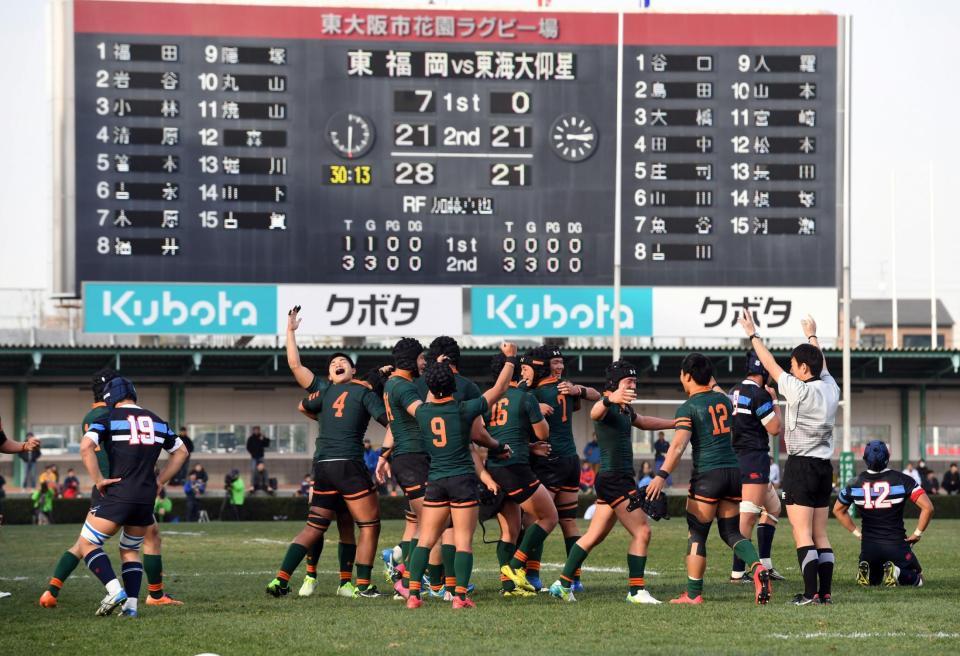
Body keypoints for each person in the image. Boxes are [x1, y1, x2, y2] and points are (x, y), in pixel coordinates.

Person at [40, 369, 183, 610]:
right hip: (145, 496)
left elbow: (86, 447)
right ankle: (132, 607)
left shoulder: (107, 417)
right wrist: (161, 482)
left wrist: (97, 479)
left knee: (86, 543)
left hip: (115, 491)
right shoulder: (157, 420)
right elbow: (181, 452)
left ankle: (114, 591)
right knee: (130, 549)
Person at [266, 305, 379, 599]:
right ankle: (358, 584)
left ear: (353, 370)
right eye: (334, 363)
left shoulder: (333, 391)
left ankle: (286, 579)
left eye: (343, 360)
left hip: (324, 467)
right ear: (330, 374)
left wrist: (289, 331)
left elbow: (296, 376)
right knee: (367, 524)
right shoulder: (343, 391)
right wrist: (290, 330)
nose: (338, 363)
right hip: (347, 465)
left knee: (328, 524)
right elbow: (295, 366)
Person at [644, 353, 771, 605]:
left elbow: (678, 446)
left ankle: (693, 594)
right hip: (734, 473)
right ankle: (757, 567)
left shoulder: (688, 407)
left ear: (687, 376)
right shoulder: (724, 401)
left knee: (697, 535)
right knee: (731, 532)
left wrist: (661, 476)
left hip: (707, 476)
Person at [549, 360, 676, 605]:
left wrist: (675, 423)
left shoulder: (625, 409)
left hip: (614, 479)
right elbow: (595, 411)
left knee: (593, 536)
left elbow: (643, 421)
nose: (633, 386)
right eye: (629, 382)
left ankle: (563, 584)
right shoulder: (608, 405)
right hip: (616, 479)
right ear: (614, 385)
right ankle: (636, 591)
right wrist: (610, 399)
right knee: (642, 531)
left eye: (635, 382)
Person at [739, 310, 840, 605]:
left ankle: (809, 594)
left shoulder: (798, 389)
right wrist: (812, 334)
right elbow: (823, 365)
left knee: (802, 533)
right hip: (823, 467)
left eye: (795, 365)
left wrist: (752, 334)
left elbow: (769, 363)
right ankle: (825, 594)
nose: (790, 369)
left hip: (800, 467)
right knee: (821, 534)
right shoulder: (831, 388)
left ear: (805, 369)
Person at [403, 346, 515, 610]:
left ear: (430, 386)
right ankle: (460, 597)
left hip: (436, 480)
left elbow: (425, 393)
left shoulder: (422, 411)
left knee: (426, 539)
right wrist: (510, 359)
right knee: (463, 540)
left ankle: (413, 595)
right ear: (453, 384)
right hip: (463, 480)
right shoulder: (464, 409)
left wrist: (434, 370)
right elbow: (499, 389)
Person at [524, 344, 601, 593]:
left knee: (537, 519)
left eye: (561, 363)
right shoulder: (564, 388)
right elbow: (593, 397)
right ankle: (574, 579)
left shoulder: (533, 393)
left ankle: (532, 575)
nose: (560, 367)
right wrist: (577, 390)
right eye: (555, 363)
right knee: (568, 520)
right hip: (571, 460)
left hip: (550, 459)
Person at [482, 352, 556, 598]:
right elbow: (543, 433)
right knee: (548, 517)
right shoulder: (524, 397)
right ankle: (515, 567)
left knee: (510, 531)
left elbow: (482, 434)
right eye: (521, 369)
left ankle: (508, 587)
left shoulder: (486, 400)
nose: (525, 372)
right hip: (515, 468)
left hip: (493, 468)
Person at [833, 440, 934, 587]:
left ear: (865, 459)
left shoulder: (854, 483)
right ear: (888, 457)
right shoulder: (903, 480)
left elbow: (838, 510)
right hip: (896, 546)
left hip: (868, 548)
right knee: (919, 578)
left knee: (875, 580)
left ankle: (867, 570)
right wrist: (917, 534)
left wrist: (856, 533)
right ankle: (897, 572)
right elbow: (928, 507)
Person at [729, 350, 785, 584]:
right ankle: (738, 573)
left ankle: (765, 564)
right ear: (762, 370)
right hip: (753, 459)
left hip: (738, 456)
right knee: (747, 519)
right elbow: (774, 428)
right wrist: (774, 400)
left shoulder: (733, 391)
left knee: (773, 509)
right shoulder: (759, 394)